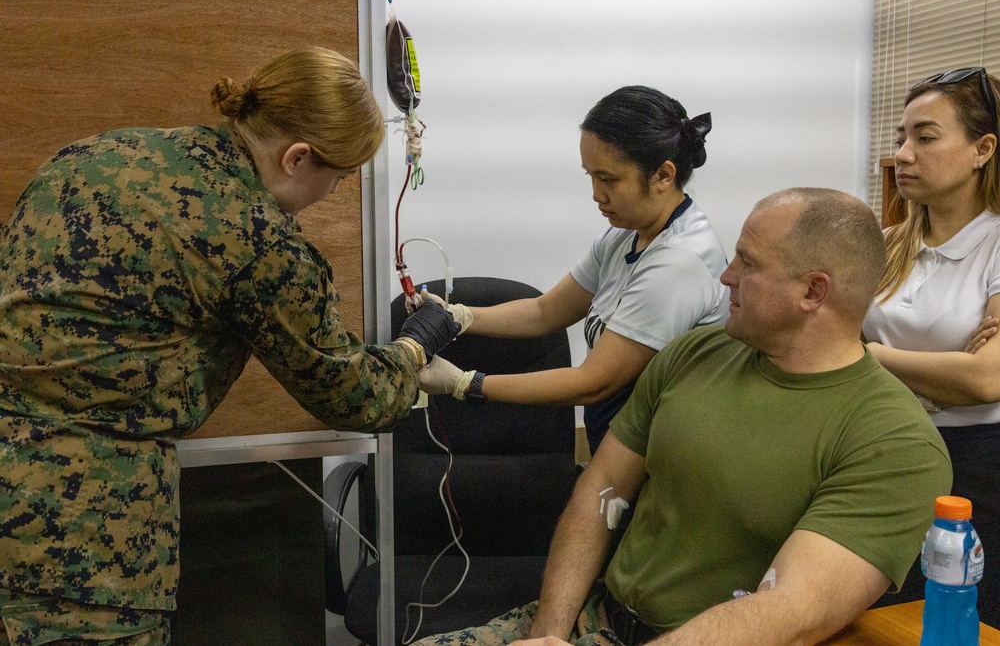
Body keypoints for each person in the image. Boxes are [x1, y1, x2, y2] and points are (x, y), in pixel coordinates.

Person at [0, 47, 458, 645]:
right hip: (82, 536)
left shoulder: (95, 157)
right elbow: (354, 397)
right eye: (338, 178)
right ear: (298, 158)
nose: (335, 192)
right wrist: (416, 346)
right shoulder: (256, 242)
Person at [414, 188, 952, 646]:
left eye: (749, 263)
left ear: (813, 291)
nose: (725, 276)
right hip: (598, 621)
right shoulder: (695, 354)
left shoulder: (895, 443)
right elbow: (601, 489)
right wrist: (550, 632)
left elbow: (791, 612)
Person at [419, 85, 729, 454]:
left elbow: (592, 382)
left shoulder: (678, 263)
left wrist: (464, 384)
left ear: (663, 175)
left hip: (667, 461)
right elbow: (543, 312)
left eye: (609, 179)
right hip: (622, 447)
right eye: (591, 177)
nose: (597, 194)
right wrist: (458, 316)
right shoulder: (624, 237)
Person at [862, 66, 1000, 627]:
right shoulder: (885, 242)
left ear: (982, 148)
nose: (904, 154)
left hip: (975, 465)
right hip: (885, 445)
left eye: (925, 137)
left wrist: (870, 358)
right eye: (900, 137)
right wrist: (949, 370)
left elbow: (987, 380)